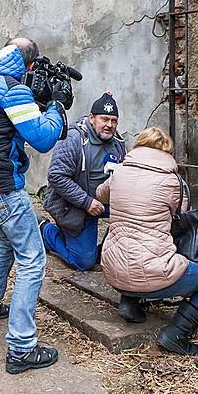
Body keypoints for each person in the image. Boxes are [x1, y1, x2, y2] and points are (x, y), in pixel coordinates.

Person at [0, 38, 73, 374]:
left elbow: (7, 124)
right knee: (33, 258)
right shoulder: (13, 89)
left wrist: (40, 100)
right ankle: (21, 348)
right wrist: (57, 106)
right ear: (29, 66)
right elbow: (44, 139)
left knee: (7, 240)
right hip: (0, 184)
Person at [97, 126, 198, 355]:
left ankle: (130, 303)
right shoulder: (173, 182)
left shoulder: (119, 172)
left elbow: (101, 194)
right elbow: (183, 212)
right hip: (152, 275)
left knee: (131, 247)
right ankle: (178, 332)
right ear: (167, 152)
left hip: (113, 270)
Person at [41, 92, 126, 270]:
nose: (109, 125)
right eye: (104, 119)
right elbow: (56, 176)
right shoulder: (73, 139)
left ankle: (104, 251)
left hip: (103, 202)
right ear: (92, 118)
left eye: (113, 120)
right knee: (83, 262)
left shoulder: (117, 142)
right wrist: (86, 202)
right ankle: (45, 231)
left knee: (134, 210)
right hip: (75, 206)